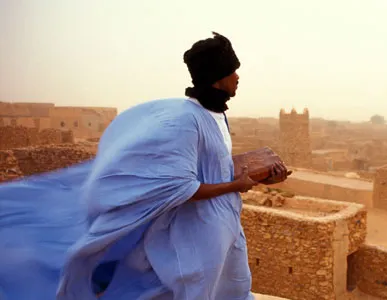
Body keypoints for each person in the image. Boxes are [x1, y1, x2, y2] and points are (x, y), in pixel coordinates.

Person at [0, 32, 289, 300]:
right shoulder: (187, 120)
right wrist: (236, 186)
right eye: (232, 71)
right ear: (217, 77)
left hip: (227, 225)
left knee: (235, 288)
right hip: (199, 233)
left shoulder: (218, 116)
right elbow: (182, 187)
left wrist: (262, 177)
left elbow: (216, 168)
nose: (238, 77)